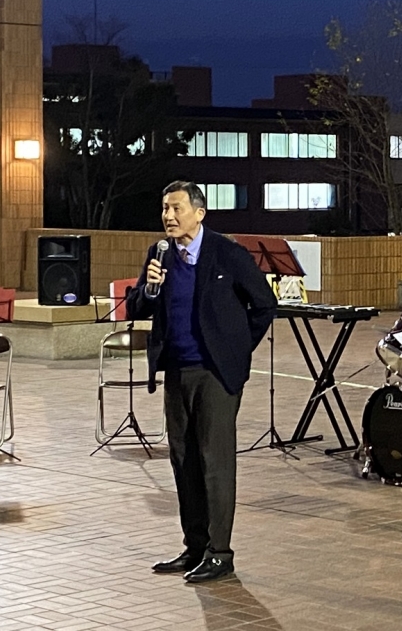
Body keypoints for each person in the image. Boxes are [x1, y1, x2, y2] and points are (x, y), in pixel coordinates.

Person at [125, 180, 276, 584]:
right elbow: (136, 307)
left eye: (176, 208)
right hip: (176, 370)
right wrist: (147, 287)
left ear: (199, 213)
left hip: (215, 374)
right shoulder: (159, 255)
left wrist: (235, 348)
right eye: (164, 209)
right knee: (183, 460)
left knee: (215, 463)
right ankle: (194, 546)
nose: (168, 217)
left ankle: (220, 553)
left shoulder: (227, 253)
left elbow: (264, 305)